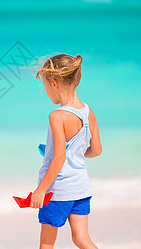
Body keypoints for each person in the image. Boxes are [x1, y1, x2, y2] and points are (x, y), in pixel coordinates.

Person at [31, 54, 102, 249]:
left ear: (54, 83)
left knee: (47, 242)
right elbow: (96, 150)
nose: (47, 92)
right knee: (81, 239)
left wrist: (41, 189)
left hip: (58, 191)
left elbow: (60, 157)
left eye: (45, 87)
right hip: (81, 189)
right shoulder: (88, 112)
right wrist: (74, 154)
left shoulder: (57, 116)